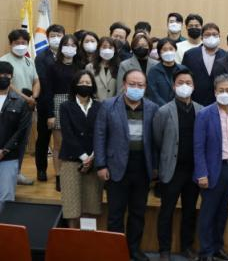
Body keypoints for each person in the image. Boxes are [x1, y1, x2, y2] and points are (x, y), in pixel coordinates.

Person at [94, 69, 158, 261]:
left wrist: (155, 167)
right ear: (124, 85)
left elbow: (155, 141)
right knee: (115, 213)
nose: (136, 88)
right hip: (116, 166)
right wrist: (101, 165)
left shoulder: (152, 108)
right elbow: (100, 135)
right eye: (132, 84)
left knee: (138, 212)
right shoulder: (108, 105)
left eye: (140, 85)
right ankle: (116, 251)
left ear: (145, 87)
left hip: (142, 167)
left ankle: (134, 249)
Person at [153, 69, 203, 261]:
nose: (184, 86)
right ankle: (164, 249)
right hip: (172, 170)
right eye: (180, 82)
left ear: (194, 86)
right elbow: (158, 139)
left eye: (188, 83)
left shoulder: (201, 110)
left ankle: (187, 246)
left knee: (190, 211)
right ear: (174, 86)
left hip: (193, 170)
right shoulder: (164, 111)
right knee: (167, 211)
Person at [194, 74, 228, 261]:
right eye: (221, 90)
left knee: (222, 213)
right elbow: (198, 146)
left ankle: (217, 248)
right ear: (215, 92)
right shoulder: (204, 114)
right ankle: (205, 252)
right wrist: (201, 173)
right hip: (211, 171)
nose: (224, 93)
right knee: (208, 214)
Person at [58, 70, 103, 229]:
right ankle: (73, 239)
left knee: (92, 205)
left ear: (93, 86)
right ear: (75, 85)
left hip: (94, 161)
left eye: (88, 83)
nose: (85, 85)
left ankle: (88, 239)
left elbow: (102, 133)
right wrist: (84, 158)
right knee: (72, 206)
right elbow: (67, 134)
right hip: (71, 160)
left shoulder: (100, 106)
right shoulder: (65, 106)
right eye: (81, 82)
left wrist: (93, 157)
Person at [43, 34, 82, 191]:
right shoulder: (52, 66)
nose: (70, 48)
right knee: (59, 144)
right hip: (58, 103)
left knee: (76, 142)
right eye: (67, 45)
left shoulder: (80, 66)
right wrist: (50, 114)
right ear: (61, 47)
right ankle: (59, 176)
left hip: (76, 103)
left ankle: (73, 174)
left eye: (73, 45)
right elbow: (47, 92)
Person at [1, 29, 40, 185]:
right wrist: (26, 99)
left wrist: (34, 97)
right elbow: (7, 84)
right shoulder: (4, 61)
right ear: (10, 44)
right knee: (7, 140)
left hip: (27, 107)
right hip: (9, 108)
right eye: (17, 43)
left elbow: (36, 81)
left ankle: (17, 172)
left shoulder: (29, 61)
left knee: (22, 140)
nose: (20, 46)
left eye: (23, 43)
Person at [35, 24, 64, 182]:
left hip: (63, 102)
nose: (56, 38)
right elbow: (44, 83)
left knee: (62, 140)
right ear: (47, 37)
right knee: (43, 138)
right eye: (53, 35)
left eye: (59, 35)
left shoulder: (67, 55)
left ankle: (62, 171)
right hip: (45, 103)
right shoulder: (41, 57)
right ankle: (41, 169)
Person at [0, 61, 31, 201]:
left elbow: (21, 131)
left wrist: (4, 150)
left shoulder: (21, 102)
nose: (4, 77)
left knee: (6, 197)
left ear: (12, 78)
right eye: (1, 74)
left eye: (7, 75)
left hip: (9, 156)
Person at [182, 22, 228, 106]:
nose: (211, 37)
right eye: (207, 34)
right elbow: (184, 76)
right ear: (202, 37)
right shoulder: (190, 55)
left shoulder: (226, 56)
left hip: (218, 101)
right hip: (194, 101)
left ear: (219, 37)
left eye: (214, 34)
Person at [147, 38, 188, 106]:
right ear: (159, 52)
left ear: (175, 50)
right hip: (160, 108)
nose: (168, 52)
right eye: (164, 49)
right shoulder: (153, 71)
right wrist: (166, 108)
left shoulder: (183, 69)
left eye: (171, 49)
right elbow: (153, 93)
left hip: (180, 106)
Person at [86, 36, 120, 101]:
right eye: (104, 47)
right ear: (99, 49)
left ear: (114, 50)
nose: (107, 50)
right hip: (95, 103)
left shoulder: (119, 67)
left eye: (110, 47)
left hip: (113, 103)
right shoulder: (90, 67)